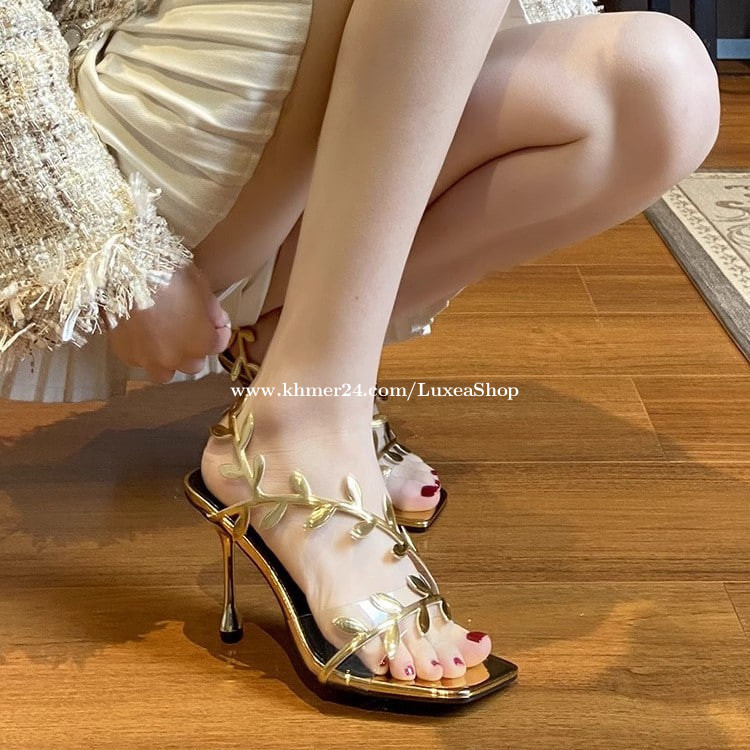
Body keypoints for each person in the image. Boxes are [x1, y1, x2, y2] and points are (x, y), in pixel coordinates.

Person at [0, 0, 720, 704]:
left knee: (659, 91)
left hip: (302, 121)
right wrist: (104, 247)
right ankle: (300, 425)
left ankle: (293, 354)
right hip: (100, 160)